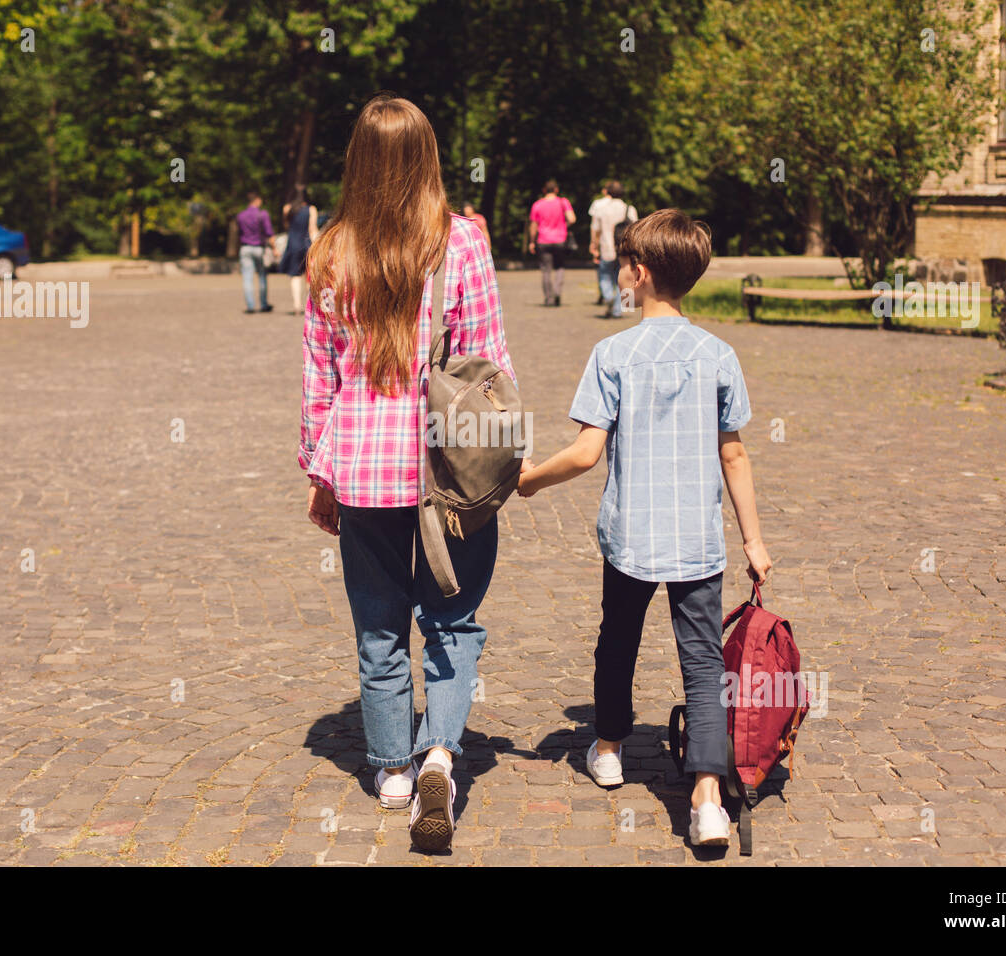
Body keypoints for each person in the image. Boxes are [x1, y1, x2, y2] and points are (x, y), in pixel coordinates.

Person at [300, 94, 518, 853]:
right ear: (428, 157)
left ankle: (392, 768)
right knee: (453, 622)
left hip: (363, 474)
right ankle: (438, 754)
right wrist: (505, 460)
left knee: (379, 626)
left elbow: (318, 382)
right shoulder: (462, 243)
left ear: (357, 162)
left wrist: (318, 473)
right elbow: (492, 365)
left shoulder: (330, 254)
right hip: (446, 473)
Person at [516, 209, 772, 848]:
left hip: (631, 538)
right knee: (703, 662)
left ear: (640, 272)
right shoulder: (719, 354)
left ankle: (608, 746)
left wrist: (528, 480)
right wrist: (754, 540)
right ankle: (708, 799)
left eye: (625, 263)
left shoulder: (613, 354)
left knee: (617, 641)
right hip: (698, 542)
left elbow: (584, 453)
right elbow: (733, 453)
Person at [589, 180, 637, 318]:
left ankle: (608, 296)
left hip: (607, 248)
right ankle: (618, 310)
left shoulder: (601, 209)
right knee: (622, 278)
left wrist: (594, 245)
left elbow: (596, 230)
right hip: (625, 250)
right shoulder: (630, 209)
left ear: (608, 192)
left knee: (604, 275)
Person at [527, 180, 575, 306]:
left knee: (546, 270)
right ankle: (557, 292)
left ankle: (549, 298)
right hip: (560, 239)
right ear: (556, 190)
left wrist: (532, 242)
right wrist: (564, 225)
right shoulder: (563, 202)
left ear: (544, 190)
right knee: (559, 267)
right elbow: (572, 219)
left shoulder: (537, 205)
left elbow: (533, 225)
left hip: (543, 240)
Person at [281, 185, 320, 314]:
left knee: (295, 276)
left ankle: (297, 304)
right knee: (309, 276)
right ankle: (311, 304)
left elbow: (287, 226)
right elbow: (312, 229)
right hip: (306, 244)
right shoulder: (311, 209)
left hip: (293, 244)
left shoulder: (287, 209)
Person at [237, 191, 275, 313]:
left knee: (247, 277)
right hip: (259, 248)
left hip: (245, 248)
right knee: (262, 276)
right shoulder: (262, 214)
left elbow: (240, 233)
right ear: (257, 200)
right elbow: (269, 233)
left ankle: (250, 305)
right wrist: (274, 248)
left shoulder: (241, 216)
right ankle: (263, 304)